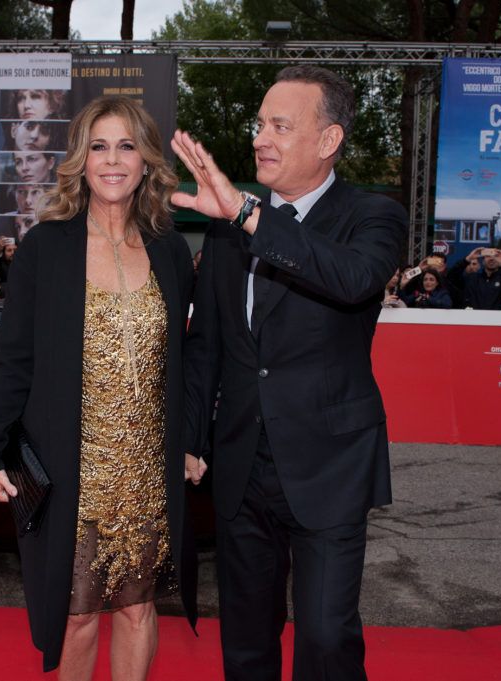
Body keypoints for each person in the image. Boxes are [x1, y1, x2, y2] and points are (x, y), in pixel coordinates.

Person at [172, 65, 407, 681]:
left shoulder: (372, 215)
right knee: (247, 642)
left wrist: (248, 215)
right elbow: (209, 345)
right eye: (259, 124)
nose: (260, 138)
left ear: (328, 141)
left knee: (326, 638)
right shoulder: (229, 226)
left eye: (280, 125)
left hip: (330, 464)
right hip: (242, 464)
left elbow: (352, 280)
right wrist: (193, 437)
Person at [0, 95, 198, 678]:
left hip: (147, 468)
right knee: (74, 615)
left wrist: (194, 437)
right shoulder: (44, 248)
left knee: (138, 607)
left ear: (146, 158)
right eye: (98, 146)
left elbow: (192, 354)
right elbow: (14, 358)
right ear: (80, 158)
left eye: (126, 145)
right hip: (71, 463)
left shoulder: (170, 249)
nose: (112, 160)